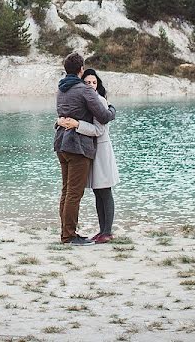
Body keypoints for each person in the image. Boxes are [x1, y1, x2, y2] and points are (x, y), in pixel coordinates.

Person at [54, 53, 116, 246]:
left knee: (66, 191)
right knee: (74, 193)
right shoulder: (84, 90)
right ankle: (69, 236)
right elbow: (104, 116)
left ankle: (66, 233)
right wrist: (113, 109)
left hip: (61, 144)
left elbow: (62, 115)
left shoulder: (61, 89)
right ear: (81, 70)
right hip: (77, 147)